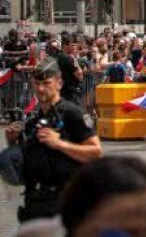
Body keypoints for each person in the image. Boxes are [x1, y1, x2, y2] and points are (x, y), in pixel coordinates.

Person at [6, 58, 103, 224]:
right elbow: (24, 167)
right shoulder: (33, 122)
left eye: (46, 83)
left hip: (65, 204)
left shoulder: (73, 114)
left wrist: (60, 144)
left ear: (59, 83)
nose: (41, 88)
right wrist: (12, 143)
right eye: (36, 83)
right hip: (35, 205)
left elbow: (96, 152)